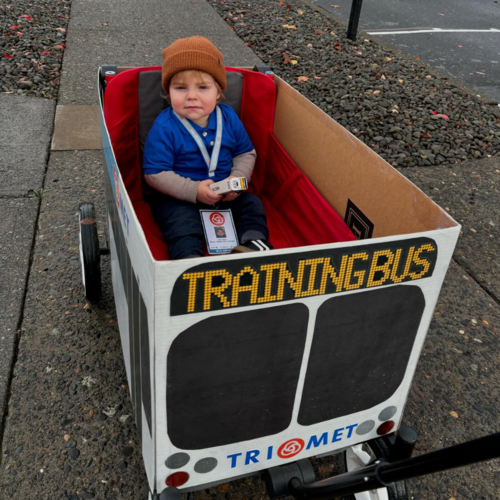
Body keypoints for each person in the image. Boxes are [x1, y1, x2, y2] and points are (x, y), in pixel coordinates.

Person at [142, 36, 272, 259]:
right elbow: (155, 173)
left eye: (203, 87)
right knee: (179, 220)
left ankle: (253, 244)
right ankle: (188, 259)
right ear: (168, 92)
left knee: (251, 204)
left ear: (219, 92)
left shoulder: (229, 118)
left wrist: (237, 181)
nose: (192, 95)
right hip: (180, 196)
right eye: (180, 88)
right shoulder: (165, 127)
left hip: (225, 194)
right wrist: (194, 191)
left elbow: (245, 153)